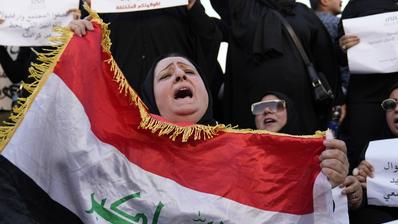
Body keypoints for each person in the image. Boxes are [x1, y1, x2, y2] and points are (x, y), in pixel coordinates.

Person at [142, 53, 349, 188]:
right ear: (150, 97)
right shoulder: (131, 162)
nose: (179, 75)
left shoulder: (248, 151)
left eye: (189, 72)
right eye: (165, 76)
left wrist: (329, 183)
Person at [223, 0, 344, 133]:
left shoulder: (302, 12)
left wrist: (337, 100)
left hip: (300, 103)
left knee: (300, 147)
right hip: (251, 106)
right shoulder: (241, 7)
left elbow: (325, 57)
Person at [71, 0, 222, 98]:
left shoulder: (181, 4)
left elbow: (208, 40)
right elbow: (84, 59)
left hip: (173, 111)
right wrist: (78, 31)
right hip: (122, 110)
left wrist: (193, 7)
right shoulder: (100, 4)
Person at [253, 91, 362, 209]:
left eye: (276, 105)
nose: (267, 110)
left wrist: (351, 194)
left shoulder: (319, 153)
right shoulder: (242, 159)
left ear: (290, 112)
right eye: (259, 107)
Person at [337, 0, 398, 171]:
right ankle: (362, 194)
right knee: (362, 153)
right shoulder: (356, 5)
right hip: (366, 95)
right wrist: (343, 46)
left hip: (395, 90)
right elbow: (339, 53)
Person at [349, 82, 398, 223]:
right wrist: (360, 182)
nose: (396, 109)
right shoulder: (372, 152)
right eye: (390, 104)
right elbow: (359, 202)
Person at [310, 0, 350, 97]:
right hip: (340, 88)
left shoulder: (307, 22)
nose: (341, 1)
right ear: (324, 1)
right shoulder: (335, 23)